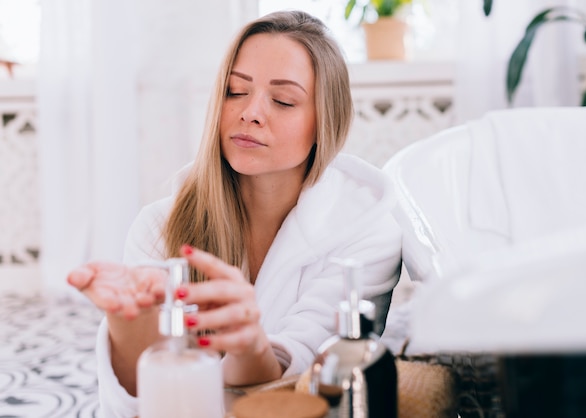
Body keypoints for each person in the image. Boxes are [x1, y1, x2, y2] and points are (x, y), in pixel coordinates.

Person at [67, 10, 402, 417]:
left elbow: (308, 376)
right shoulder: (161, 227)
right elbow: (142, 397)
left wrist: (250, 345)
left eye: (283, 100)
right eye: (235, 90)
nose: (251, 112)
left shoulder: (366, 232)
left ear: (326, 120)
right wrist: (127, 321)